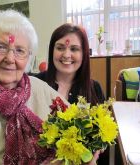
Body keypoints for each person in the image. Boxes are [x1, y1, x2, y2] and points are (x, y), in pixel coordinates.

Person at [0, 10, 99, 165]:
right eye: (0, 47)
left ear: (28, 57)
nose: (10, 58)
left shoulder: (38, 87)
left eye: (19, 50)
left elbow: (81, 129)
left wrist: (86, 154)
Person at [34, 23, 107, 164]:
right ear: (52, 50)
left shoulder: (94, 89)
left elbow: (102, 140)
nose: (66, 55)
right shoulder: (36, 83)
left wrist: (96, 154)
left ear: (84, 54)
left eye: (74, 49)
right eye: (60, 48)